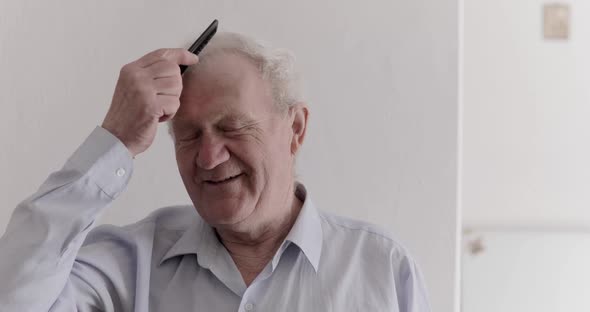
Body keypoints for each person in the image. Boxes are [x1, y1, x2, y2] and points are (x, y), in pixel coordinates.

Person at [0, 32, 431, 311]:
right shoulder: (131, 264)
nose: (208, 157)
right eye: (188, 135)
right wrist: (116, 139)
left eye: (232, 127)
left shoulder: (382, 270)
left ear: (295, 129)